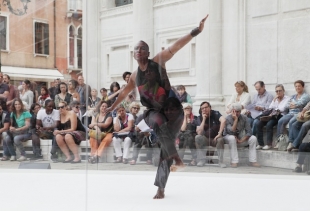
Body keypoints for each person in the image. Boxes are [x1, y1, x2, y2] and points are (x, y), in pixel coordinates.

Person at [105, 15, 208, 199]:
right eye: (136, 48)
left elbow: (176, 46)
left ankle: (161, 187)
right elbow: (122, 93)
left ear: (148, 52)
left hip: (173, 111)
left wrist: (196, 31)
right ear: (133, 53)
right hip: (154, 112)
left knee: (164, 150)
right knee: (157, 124)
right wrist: (111, 106)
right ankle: (176, 159)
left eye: (142, 48)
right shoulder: (135, 75)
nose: (139, 51)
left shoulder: (158, 61)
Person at [223, 103, 261, 168]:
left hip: (239, 138)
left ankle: (253, 161)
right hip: (229, 138)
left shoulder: (244, 118)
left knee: (253, 138)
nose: (236, 113)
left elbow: (249, 131)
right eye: (234, 111)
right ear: (232, 111)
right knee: (232, 138)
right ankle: (234, 161)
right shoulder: (228, 118)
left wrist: (241, 140)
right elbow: (231, 131)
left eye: (238, 111)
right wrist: (235, 120)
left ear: (240, 111)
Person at [254, 84, 290, 150]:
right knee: (258, 123)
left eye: (280, 91)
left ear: (283, 91)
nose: (278, 92)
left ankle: (269, 144)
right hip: (272, 115)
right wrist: (274, 101)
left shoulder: (287, 98)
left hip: (280, 115)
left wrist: (275, 107)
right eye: (276, 91)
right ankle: (260, 144)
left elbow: (282, 109)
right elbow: (270, 108)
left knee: (269, 124)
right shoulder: (275, 99)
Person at [195, 101, 226, 168]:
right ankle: (201, 160)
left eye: (206, 107)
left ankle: (221, 161)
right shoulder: (199, 117)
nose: (204, 109)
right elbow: (199, 132)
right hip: (205, 139)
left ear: (210, 108)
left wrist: (220, 133)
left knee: (220, 140)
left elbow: (223, 120)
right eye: (202, 108)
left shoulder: (215, 113)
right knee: (198, 137)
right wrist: (203, 119)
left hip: (215, 138)